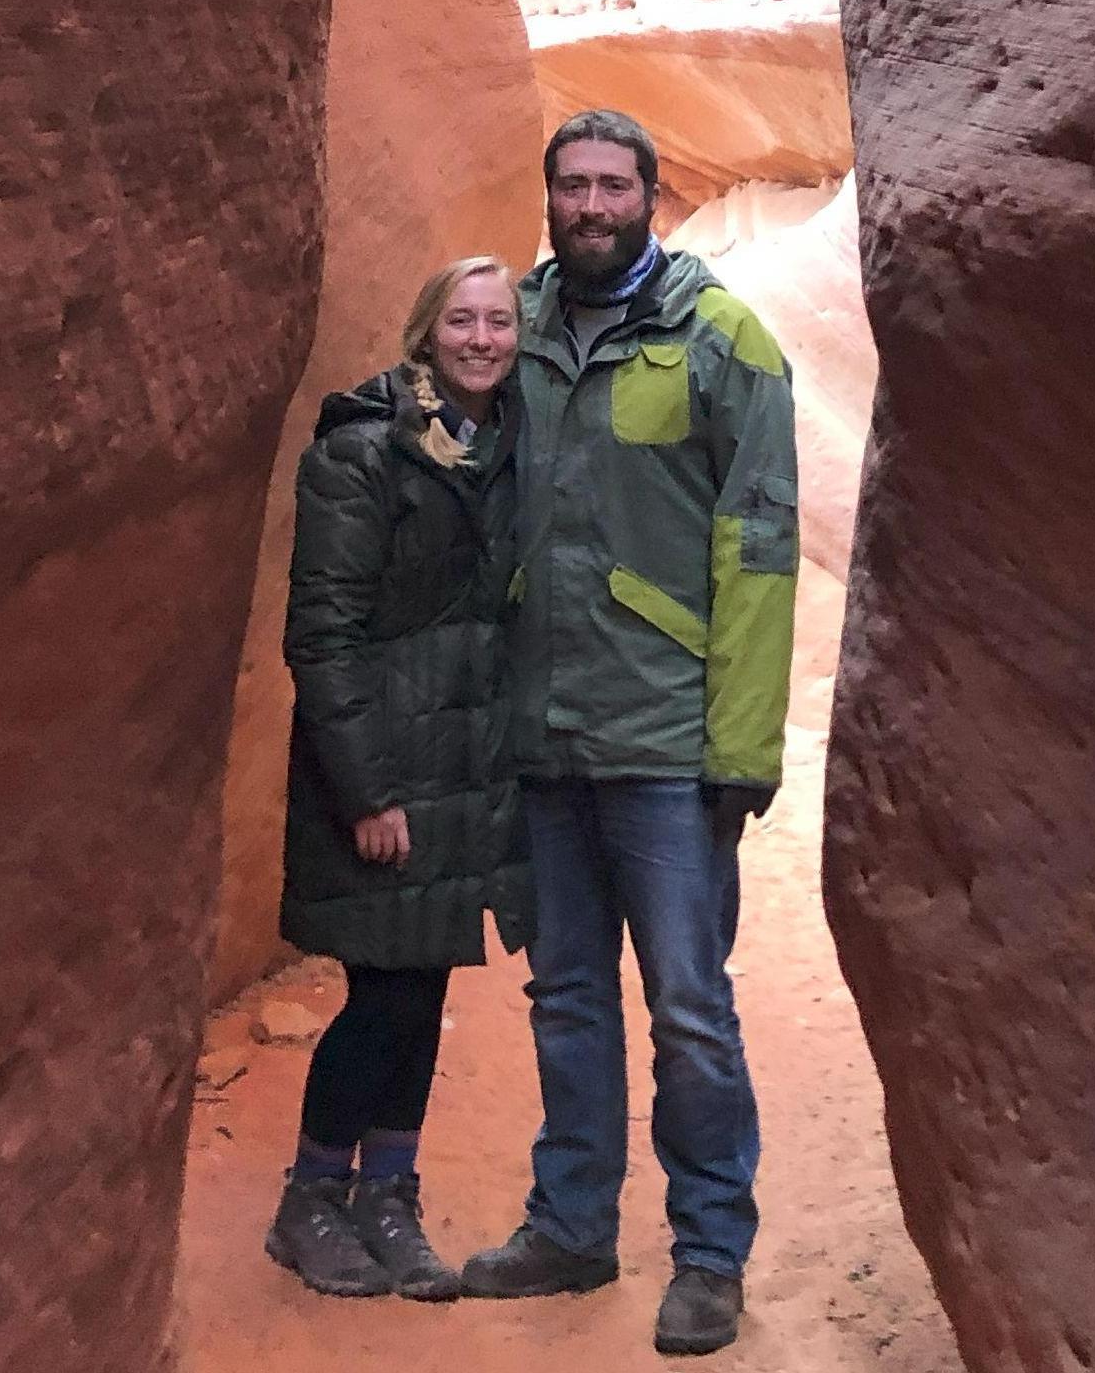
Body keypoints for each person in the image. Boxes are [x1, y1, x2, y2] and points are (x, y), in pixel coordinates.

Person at [460, 110, 800, 1358]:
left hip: (665, 740)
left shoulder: (721, 341)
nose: (590, 203)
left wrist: (742, 750)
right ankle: (572, 1226)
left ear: (651, 195)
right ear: (547, 196)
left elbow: (759, 547)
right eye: (571, 185)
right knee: (563, 997)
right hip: (545, 735)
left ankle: (709, 1252)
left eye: (612, 184)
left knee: (690, 1008)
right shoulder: (522, 327)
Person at [266, 254, 534, 1304]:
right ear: (426, 331)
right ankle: (309, 1199)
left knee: (420, 989)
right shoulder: (360, 452)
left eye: (499, 321)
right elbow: (321, 635)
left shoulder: (506, 443)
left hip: (459, 764)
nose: (481, 338)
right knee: (380, 995)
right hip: (382, 767)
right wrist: (368, 790)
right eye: (462, 319)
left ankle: (388, 1195)